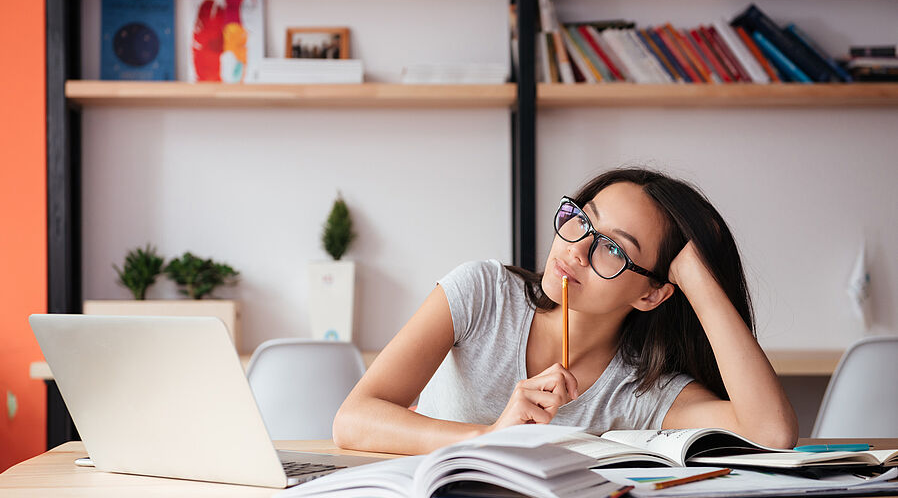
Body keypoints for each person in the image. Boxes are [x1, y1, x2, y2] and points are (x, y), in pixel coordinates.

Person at [333, 168, 798, 455]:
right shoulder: (482, 293)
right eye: (582, 219)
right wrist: (486, 437)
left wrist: (696, 276)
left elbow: (771, 432)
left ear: (652, 294)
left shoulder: (641, 390)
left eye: (613, 249)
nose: (576, 250)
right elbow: (353, 419)